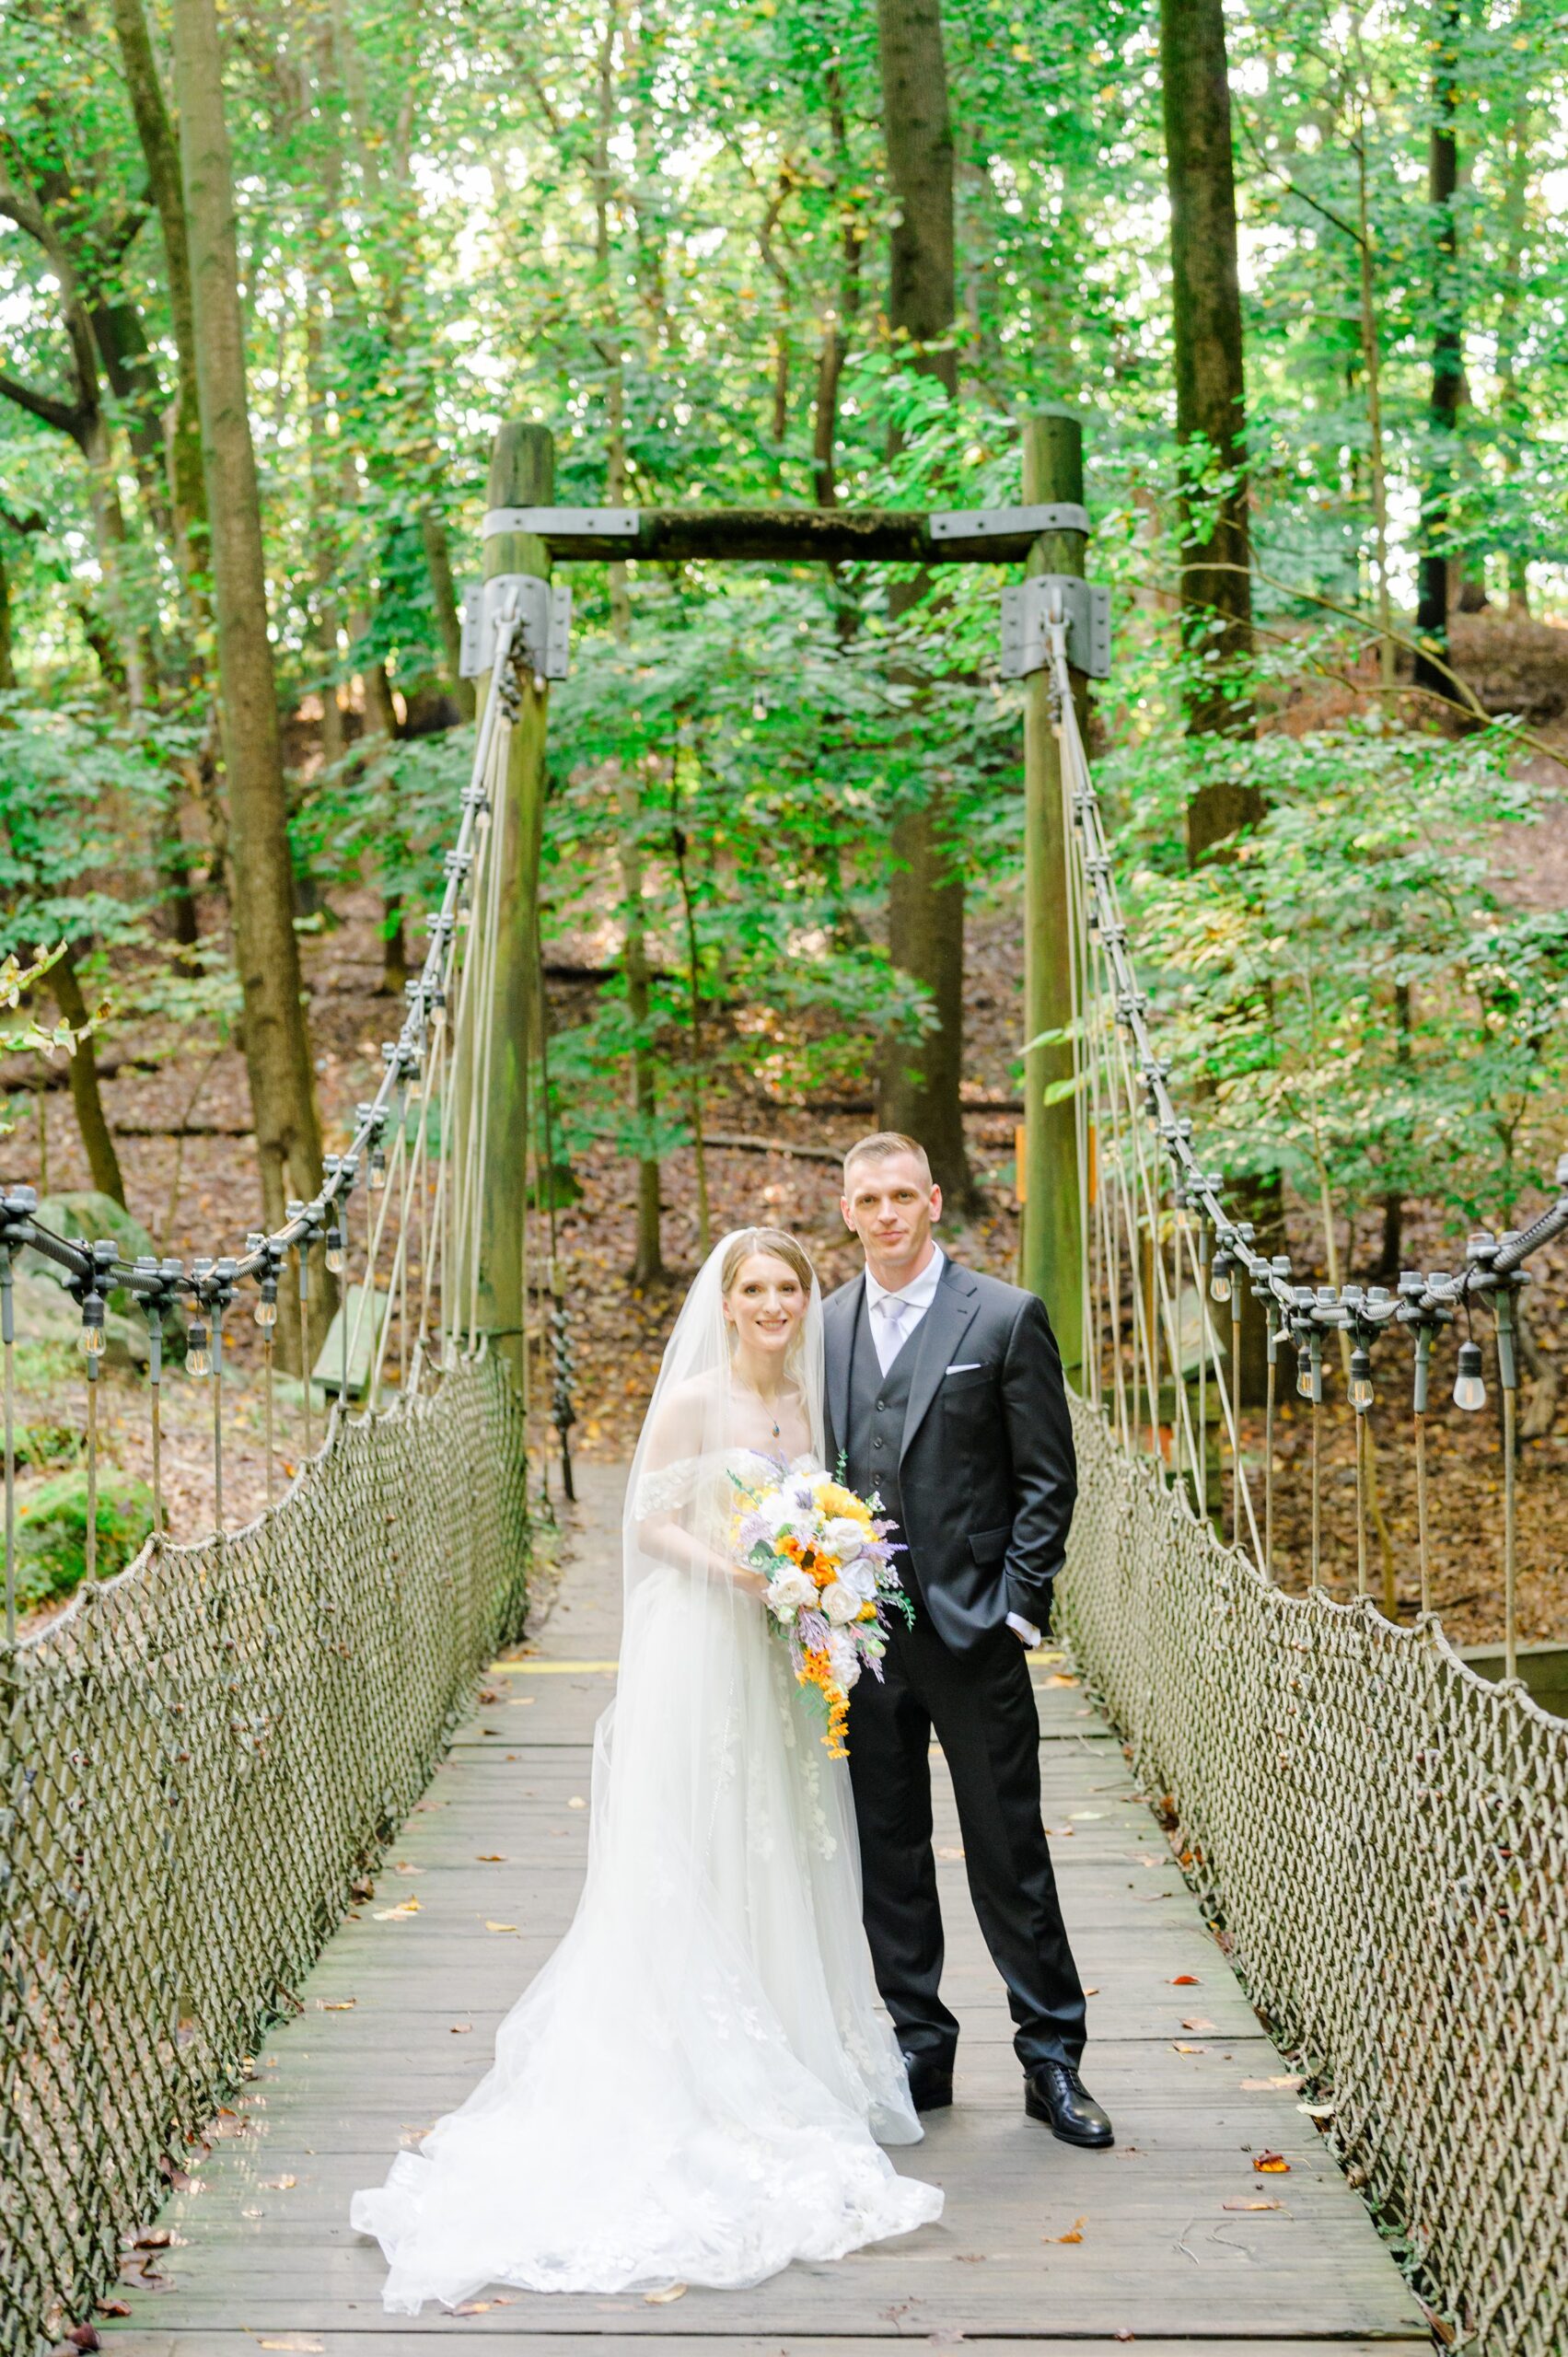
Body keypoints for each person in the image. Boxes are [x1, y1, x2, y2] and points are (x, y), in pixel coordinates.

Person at [350, 1228, 942, 2312]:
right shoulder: (693, 1403)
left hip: (784, 1658)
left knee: (787, 1833)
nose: (771, 1303)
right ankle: (690, 2061)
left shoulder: (815, 1404)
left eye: (787, 1287)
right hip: (703, 1648)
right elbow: (649, 1525)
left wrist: (823, 1576)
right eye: (752, 1288)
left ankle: (787, 2048)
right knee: (703, 1835)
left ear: (808, 1300)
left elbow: (838, 1522)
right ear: (724, 1303)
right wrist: (749, 1574)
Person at [823, 1132, 1113, 2150]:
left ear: (934, 1200)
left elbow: (1045, 1477)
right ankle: (919, 2046)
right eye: (869, 1198)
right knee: (888, 1852)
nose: (887, 1213)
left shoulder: (1001, 1315)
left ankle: (1050, 2058)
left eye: (904, 1194)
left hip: (974, 1632)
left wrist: (1018, 1606)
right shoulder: (818, 1330)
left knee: (1008, 1849)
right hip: (858, 1641)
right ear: (846, 1208)